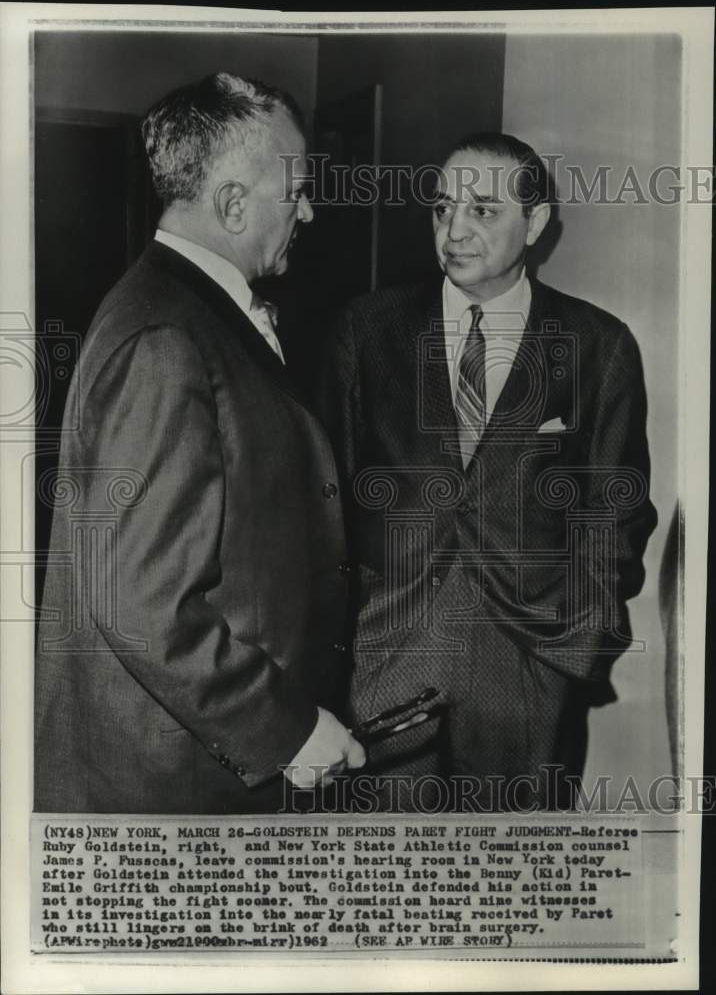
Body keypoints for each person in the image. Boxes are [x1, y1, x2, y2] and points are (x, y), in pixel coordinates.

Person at [34, 73, 365, 814]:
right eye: (298, 189)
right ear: (234, 204)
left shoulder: (185, 308)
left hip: (191, 767)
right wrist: (287, 731)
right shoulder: (165, 335)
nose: (308, 210)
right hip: (171, 787)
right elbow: (143, 600)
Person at [316, 132, 657, 812]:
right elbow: (324, 500)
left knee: (510, 880)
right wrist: (336, 651)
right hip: (388, 658)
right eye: (443, 210)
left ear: (535, 222)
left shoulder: (599, 345)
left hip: (528, 670)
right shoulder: (367, 329)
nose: (455, 232)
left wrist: (574, 648)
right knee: (382, 886)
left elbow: (615, 511)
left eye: (483, 212)